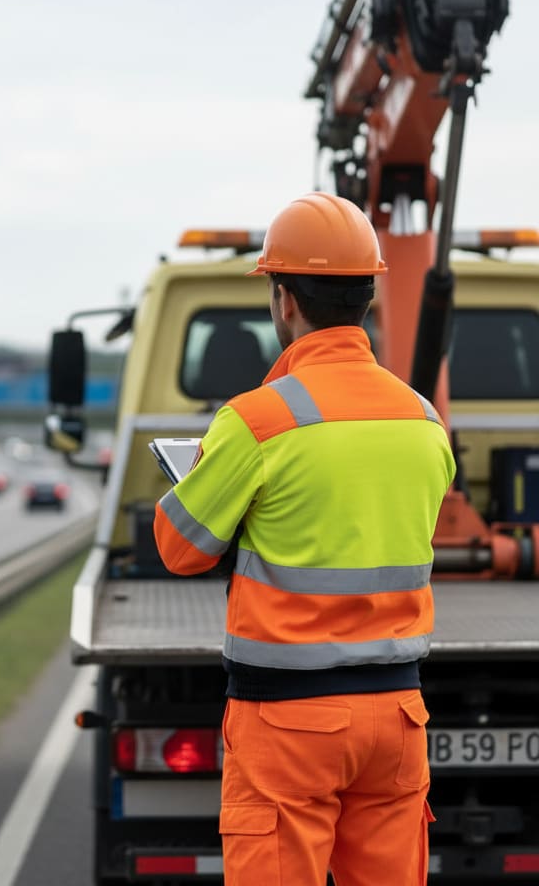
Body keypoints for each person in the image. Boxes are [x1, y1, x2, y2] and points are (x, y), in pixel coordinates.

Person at [153, 192, 456, 886]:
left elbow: (181, 549)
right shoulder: (421, 419)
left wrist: (201, 477)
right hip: (398, 716)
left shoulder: (257, 421)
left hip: (288, 720)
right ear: (370, 296)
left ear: (284, 299)